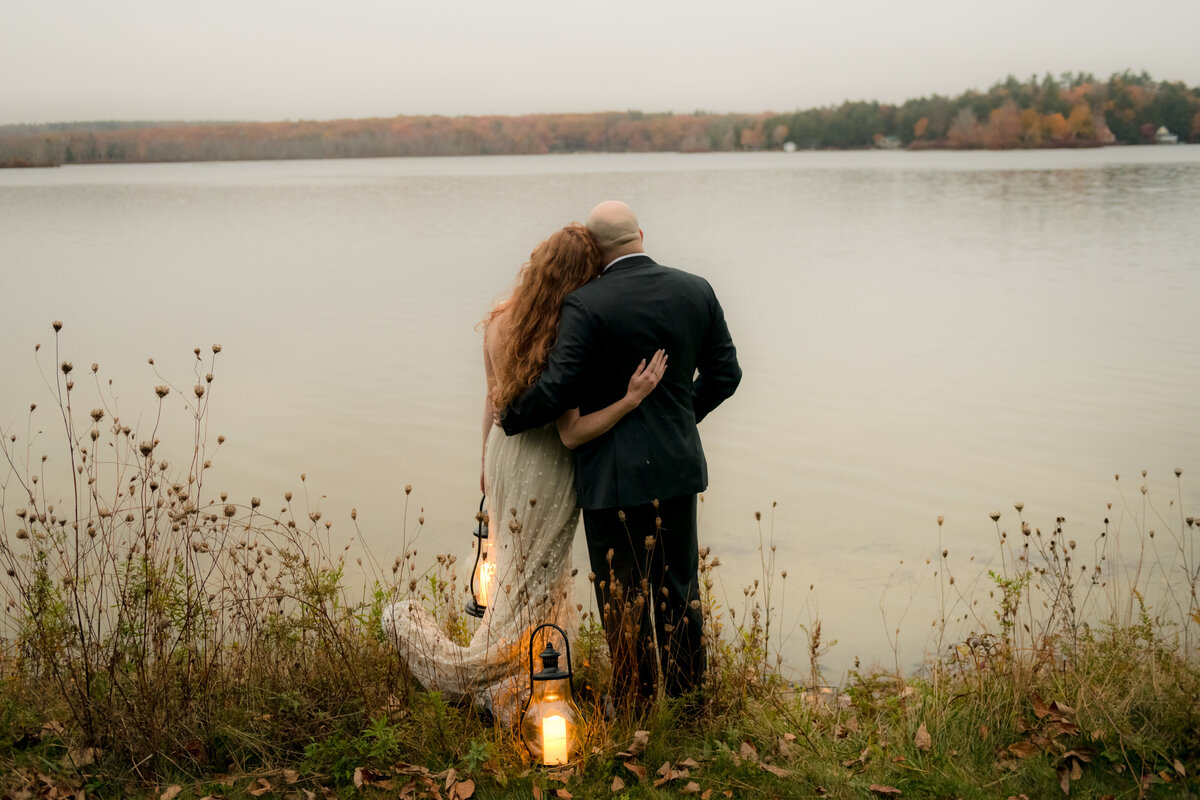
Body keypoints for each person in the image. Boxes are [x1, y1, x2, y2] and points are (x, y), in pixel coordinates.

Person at [383, 222, 666, 722]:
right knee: (540, 576)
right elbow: (570, 431)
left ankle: (524, 676)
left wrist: (483, 461)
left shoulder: (500, 320)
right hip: (546, 462)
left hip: (502, 455)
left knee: (516, 570)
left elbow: (492, 403)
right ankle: (513, 674)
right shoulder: (561, 334)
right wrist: (631, 398)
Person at [501, 201, 741, 707]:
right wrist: (678, 419)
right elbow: (726, 376)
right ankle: (687, 703)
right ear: (640, 233)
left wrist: (512, 416)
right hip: (677, 468)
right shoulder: (696, 289)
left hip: (611, 475)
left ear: (595, 248)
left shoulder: (585, 304)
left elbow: (560, 384)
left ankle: (635, 703)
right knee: (679, 589)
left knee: (620, 596)